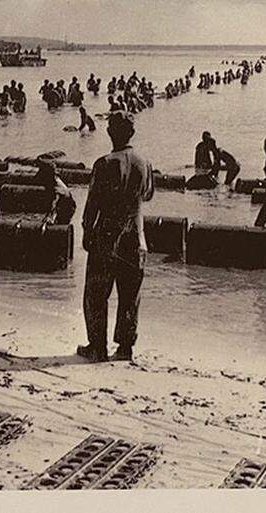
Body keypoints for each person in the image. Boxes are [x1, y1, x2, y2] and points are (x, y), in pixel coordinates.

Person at [78, 112, 154, 363]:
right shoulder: (144, 163)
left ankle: (97, 346)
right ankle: (125, 348)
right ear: (132, 133)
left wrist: (87, 231)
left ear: (111, 132)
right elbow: (147, 195)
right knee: (130, 296)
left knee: (96, 293)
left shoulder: (105, 163)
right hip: (136, 237)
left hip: (107, 237)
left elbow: (92, 205)